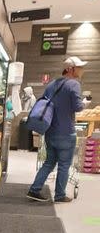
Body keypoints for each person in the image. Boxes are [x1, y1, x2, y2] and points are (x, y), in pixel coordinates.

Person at [27, 56, 86, 203]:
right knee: (64, 165)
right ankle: (60, 195)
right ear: (71, 69)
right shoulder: (74, 84)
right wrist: (85, 103)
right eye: (79, 67)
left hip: (50, 131)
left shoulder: (52, 84)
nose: (82, 70)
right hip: (66, 132)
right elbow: (78, 107)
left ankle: (34, 190)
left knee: (49, 162)